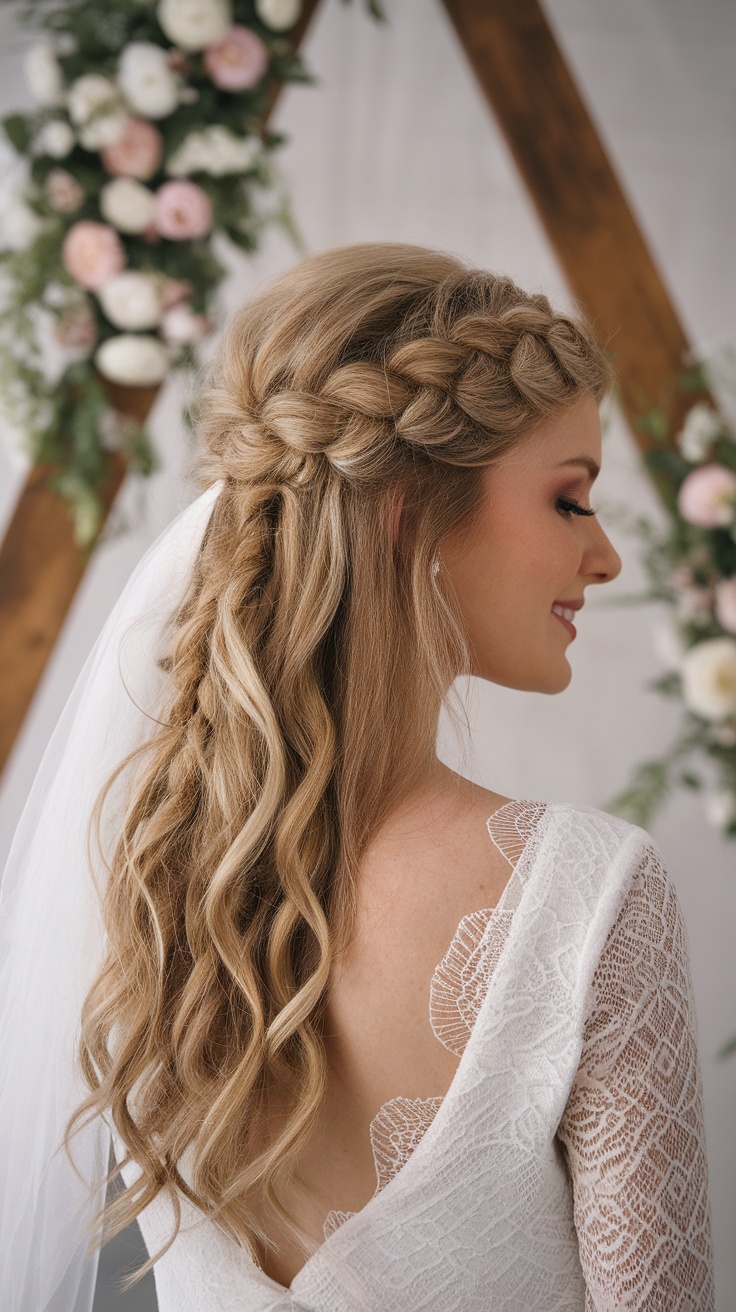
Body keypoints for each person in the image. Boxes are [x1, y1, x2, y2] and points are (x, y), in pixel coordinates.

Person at [0, 243, 714, 1311]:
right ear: (406, 513)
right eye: (570, 500)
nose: (605, 555)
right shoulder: (587, 895)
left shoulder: (147, 873)